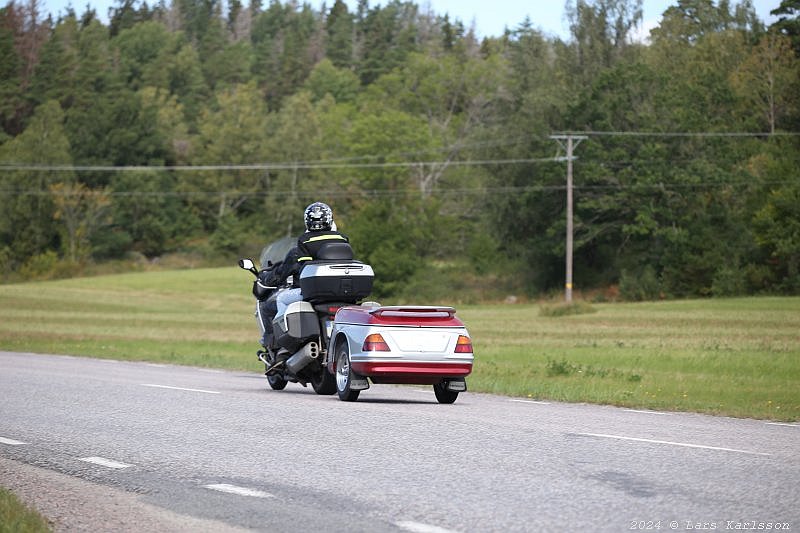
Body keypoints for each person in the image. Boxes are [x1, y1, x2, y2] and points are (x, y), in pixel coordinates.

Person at [272, 201, 349, 325]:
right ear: (329, 219)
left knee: (281, 298)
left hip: (316, 292)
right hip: (342, 292)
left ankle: (283, 335)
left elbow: (304, 268)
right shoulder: (342, 238)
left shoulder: (304, 240)